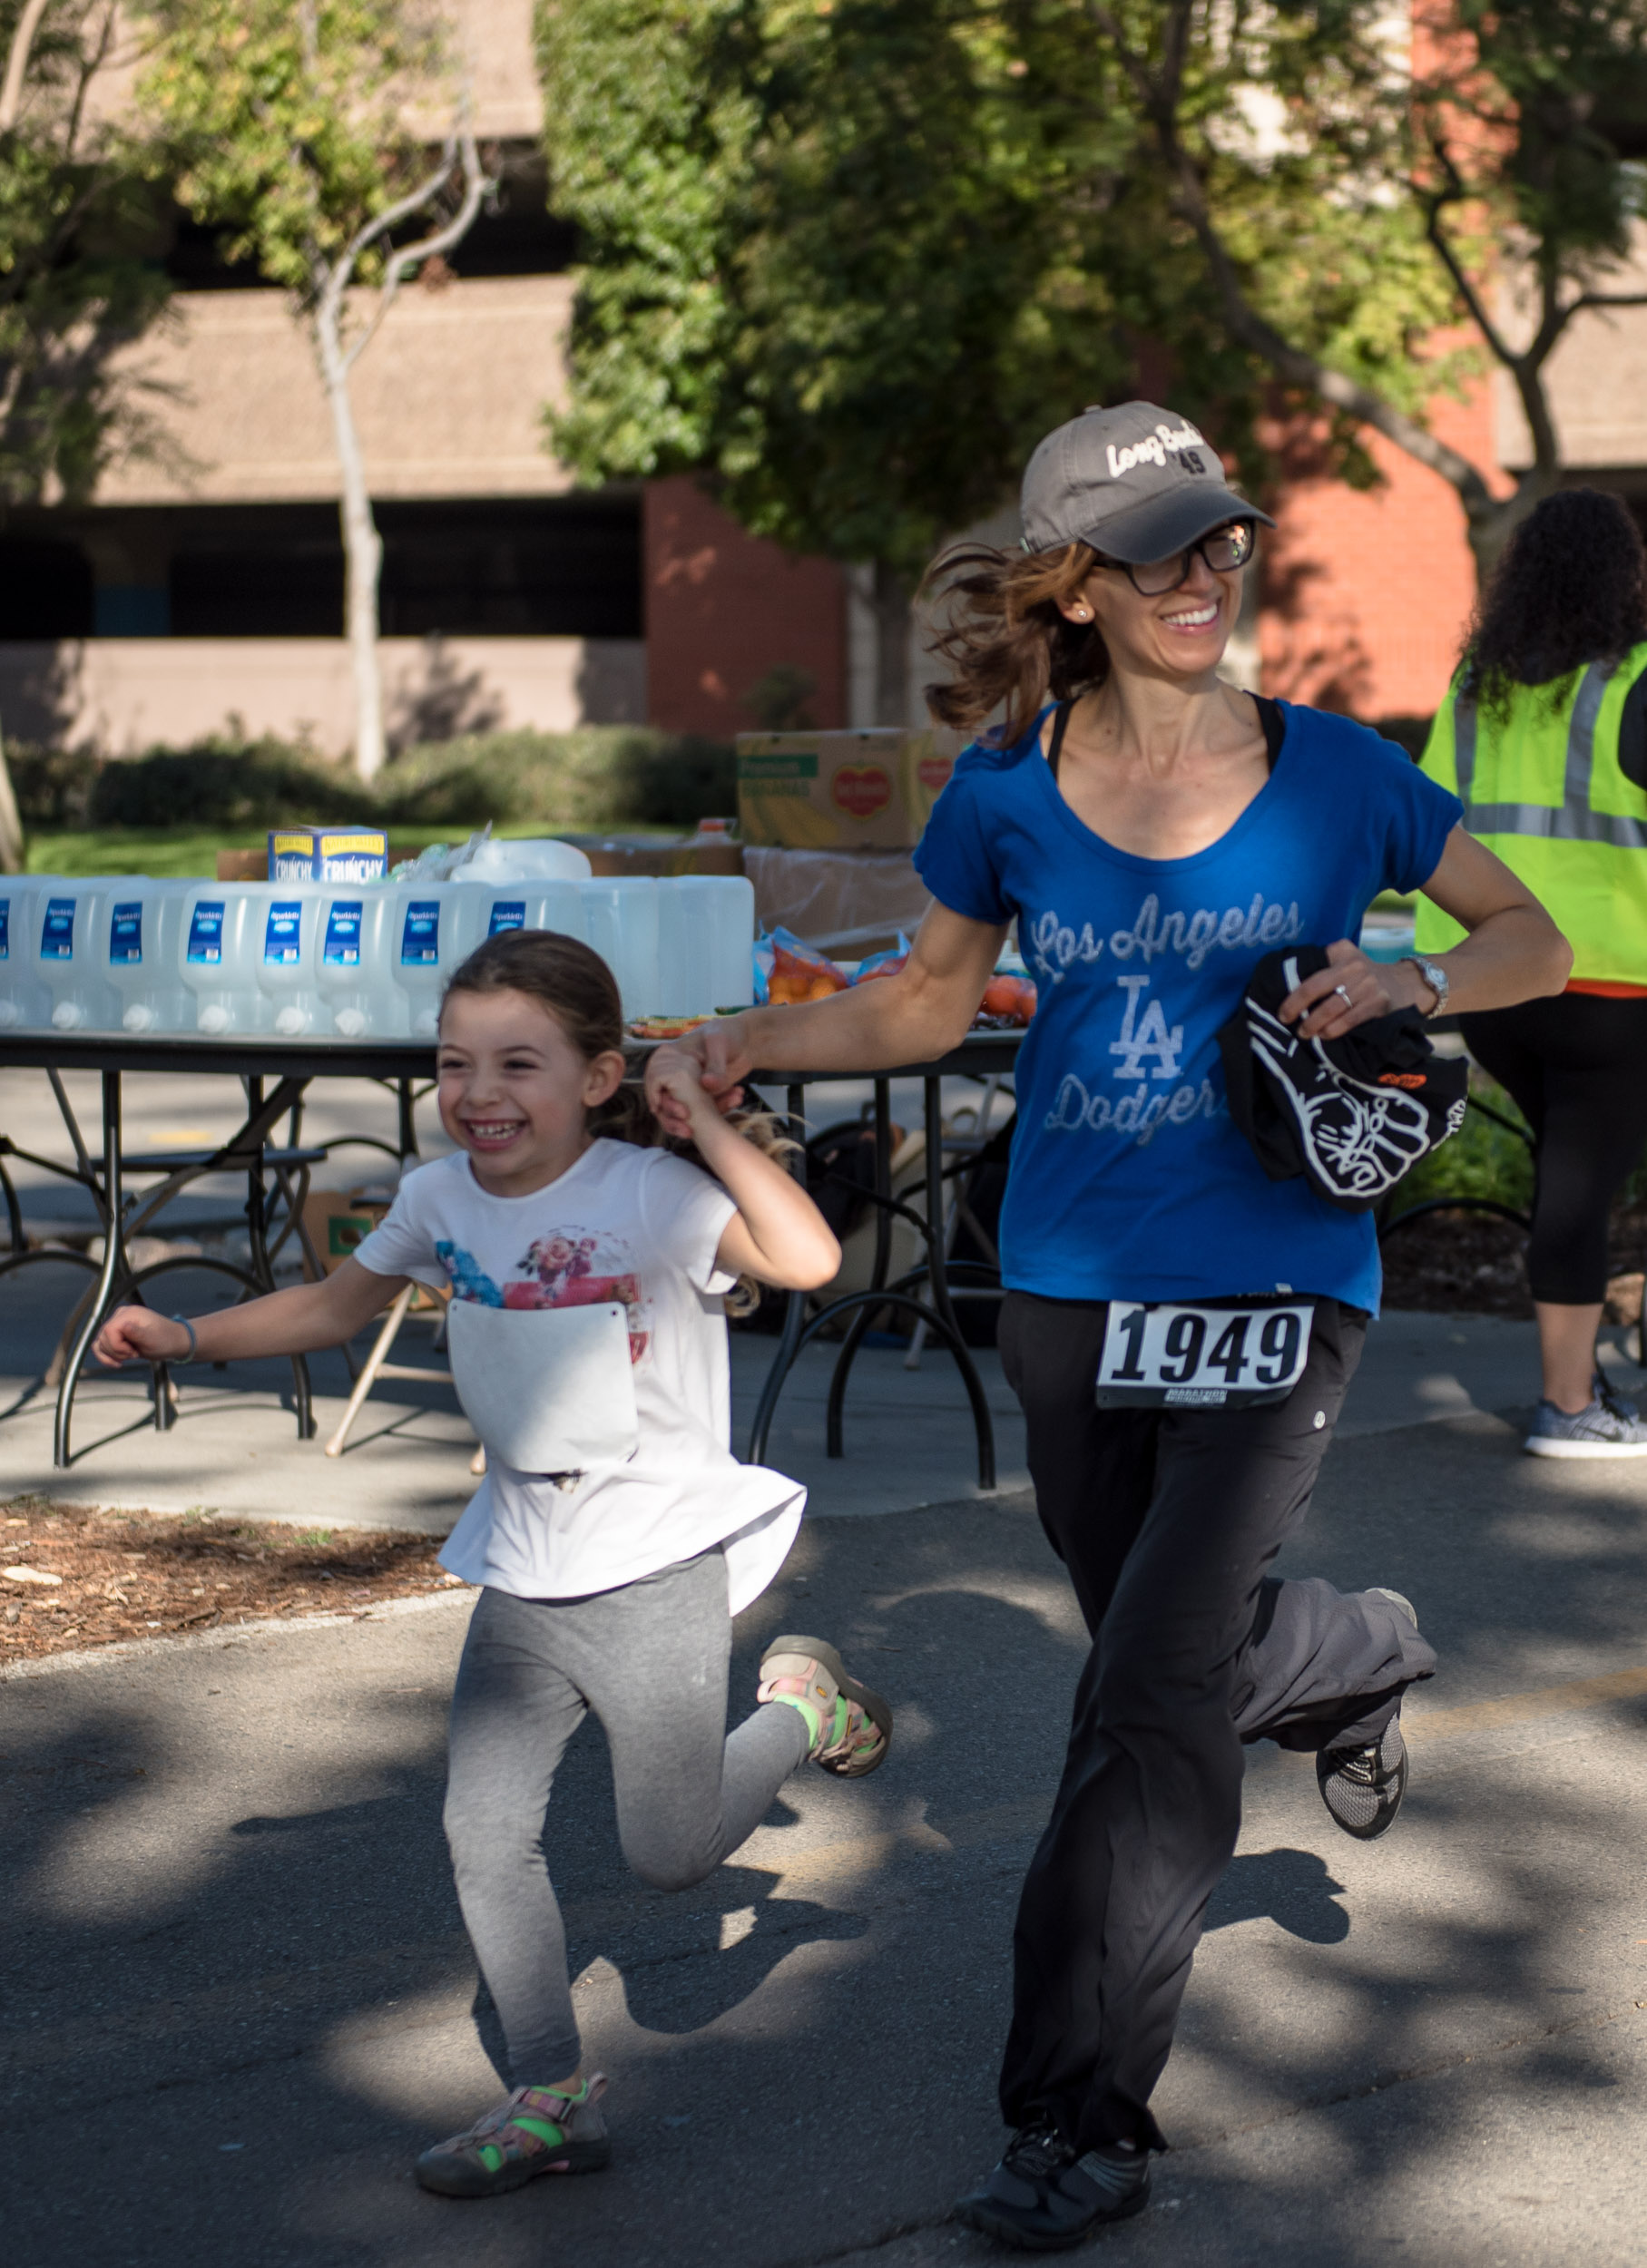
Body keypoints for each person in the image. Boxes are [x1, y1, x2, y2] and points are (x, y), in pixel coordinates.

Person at [650, 402, 1570, 2250]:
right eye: (1156, 546)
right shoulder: (1001, 785)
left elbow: (1530, 937)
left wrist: (1407, 966)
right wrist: (753, 1039)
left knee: (1141, 1696)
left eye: (1219, 538)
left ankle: (1077, 2110)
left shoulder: (1339, 774)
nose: (1201, 573)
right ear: (1070, 579)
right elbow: (921, 1006)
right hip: (1067, 1291)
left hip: (1280, 1283)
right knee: (1186, 1649)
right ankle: (1355, 1649)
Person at [92, 927, 892, 2202]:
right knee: (482, 1832)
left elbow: (805, 1262)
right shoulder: (438, 1201)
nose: (477, 1093)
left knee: (670, 1855)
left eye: (517, 1063)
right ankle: (549, 2094)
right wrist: (187, 1332)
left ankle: (798, 1711)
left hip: (651, 1566)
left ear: (596, 1076)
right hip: (522, 1568)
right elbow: (332, 1307)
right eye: (455, 1061)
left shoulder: (646, 1192)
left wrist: (707, 1126)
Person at [1416, 487, 1647, 1457]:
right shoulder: (1634, 682)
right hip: (1609, 986)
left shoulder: (1475, 685)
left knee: (1575, 1167)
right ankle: (1568, 1404)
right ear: (1623, 576)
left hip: (1494, 987)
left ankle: (1591, 1350)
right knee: (1581, 1181)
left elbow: (1420, 819)